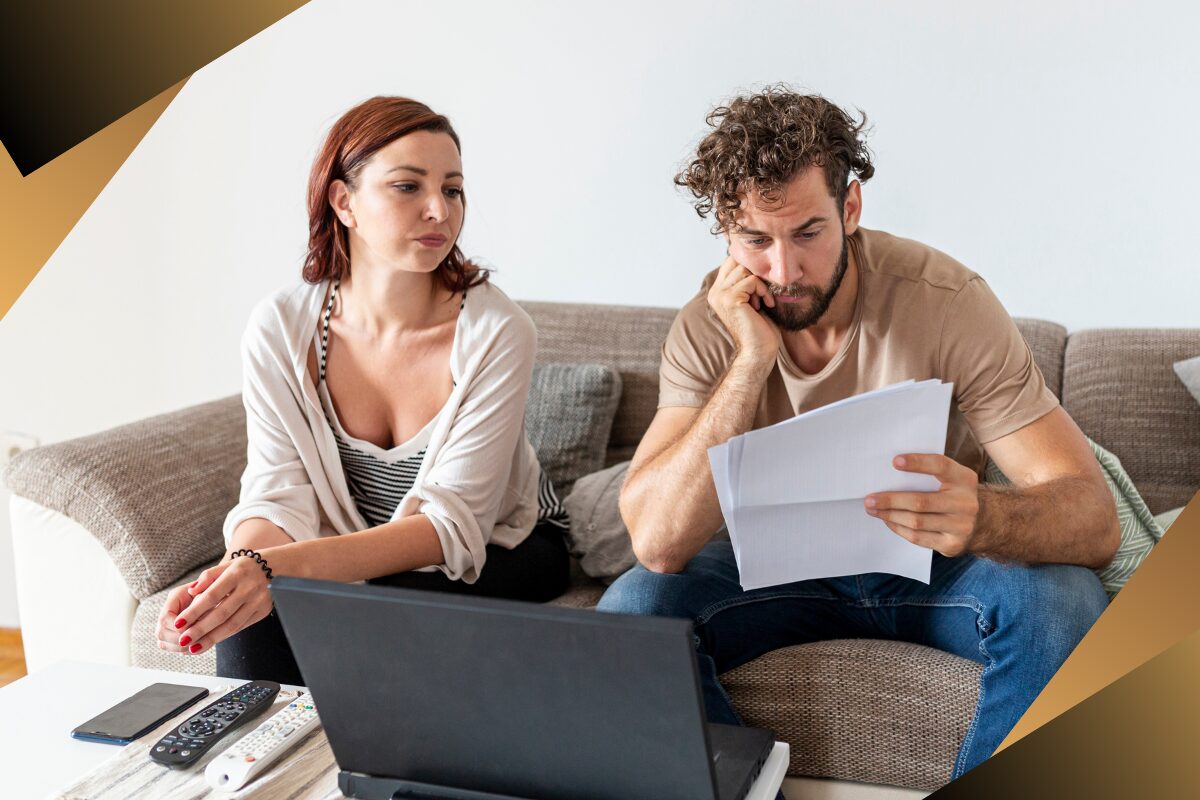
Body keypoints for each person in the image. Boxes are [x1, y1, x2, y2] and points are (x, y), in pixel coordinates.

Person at [598, 86, 1119, 779]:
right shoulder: (707, 325)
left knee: (1064, 603)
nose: (783, 272)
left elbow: (1093, 516)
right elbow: (658, 543)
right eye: (755, 240)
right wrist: (751, 361)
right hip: (769, 572)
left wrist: (986, 514)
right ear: (727, 232)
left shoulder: (946, 302)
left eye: (808, 233)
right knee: (632, 608)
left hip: (932, 569)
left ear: (850, 208)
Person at [155, 96, 570, 684]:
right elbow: (276, 495)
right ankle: (250, 766)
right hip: (358, 545)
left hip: (505, 546)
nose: (439, 210)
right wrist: (233, 576)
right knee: (255, 606)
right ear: (343, 201)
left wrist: (272, 570)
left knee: (350, 594)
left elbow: (448, 530)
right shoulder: (280, 328)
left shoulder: (497, 332)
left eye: (452, 190)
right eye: (408, 186)